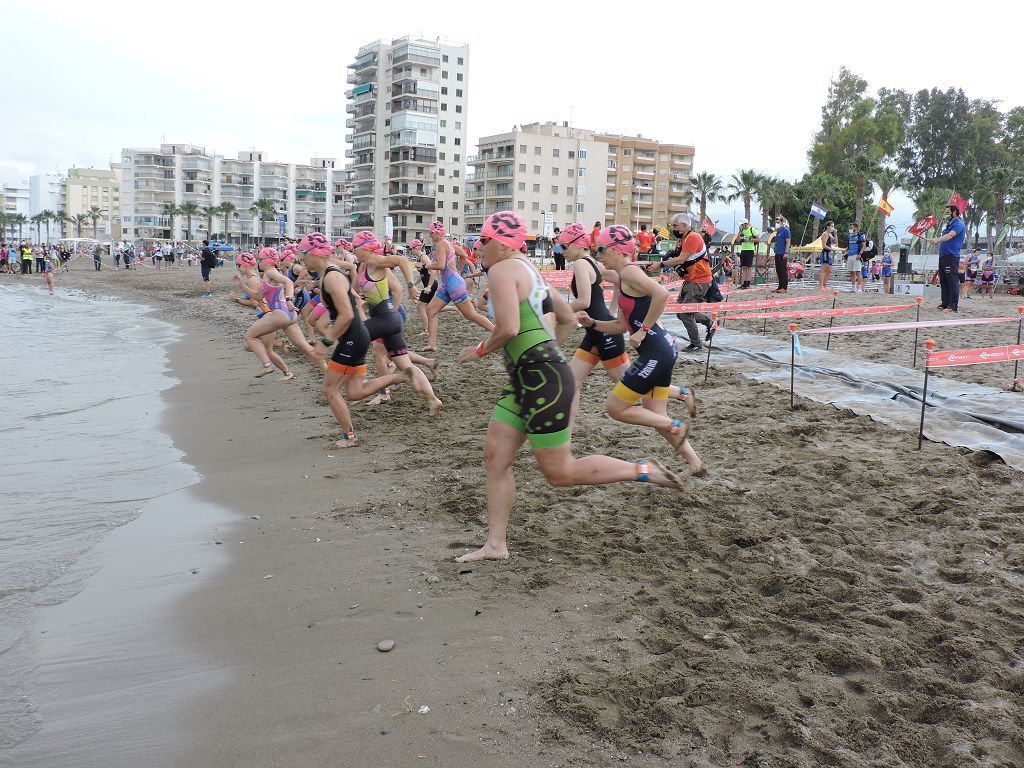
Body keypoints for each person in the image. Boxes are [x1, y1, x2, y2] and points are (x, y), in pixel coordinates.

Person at [454, 212, 688, 563]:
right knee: (495, 458)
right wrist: (549, 352)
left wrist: (478, 350)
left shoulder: (503, 269)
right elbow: (566, 318)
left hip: (541, 379)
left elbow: (509, 329)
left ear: (500, 242)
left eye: (482, 241)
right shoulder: (532, 272)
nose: (477, 250)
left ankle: (643, 470)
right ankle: (496, 544)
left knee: (560, 473)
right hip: (532, 376)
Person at [580, 224, 703, 472]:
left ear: (616, 250)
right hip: (661, 350)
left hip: (656, 351)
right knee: (656, 416)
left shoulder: (630, 273)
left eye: (602, 249)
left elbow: (661, 295)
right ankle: (695, 463)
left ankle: (675, 426)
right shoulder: (623, 278)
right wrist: (592, 323)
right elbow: (619, 325)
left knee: (615, 408)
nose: (599, 254)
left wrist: (643, 330)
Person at [558, 222, 629, 413]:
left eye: (564, 246)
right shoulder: (594, 263)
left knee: (632, 386)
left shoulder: (582, 264)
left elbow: (583, 302)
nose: (560, 250)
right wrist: (613, 309)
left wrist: (557, 311)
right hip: (595, 332)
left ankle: (680, 393)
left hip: (605, 334)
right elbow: (620, 279)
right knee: (571, 385)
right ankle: (567, 435)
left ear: (579, 244)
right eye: (559, 246)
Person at [423, 220, 494, 351]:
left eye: (431, 233)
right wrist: (458, 270)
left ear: (437, 232)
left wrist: (427, 265)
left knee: (470, 314)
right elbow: (464, 255)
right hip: (448, 284)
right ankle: (432, 344)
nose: (430, 236)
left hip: (453, 285)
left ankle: (497, 333)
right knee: (431, 311)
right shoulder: (449, 244)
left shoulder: (440, 245)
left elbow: (440, 265)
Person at [647, 213, 713, 352]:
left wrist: (660, 264)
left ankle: (696, 344)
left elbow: (681, 260)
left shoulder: (693, 237)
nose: (673, 228)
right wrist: (670, 255)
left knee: (685, 314)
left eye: (675, 225)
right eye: (672, 225)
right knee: (681, 312)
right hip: (691, 279)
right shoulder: (682, 240)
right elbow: (679, 257)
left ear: (684, 226)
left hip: (699, 281)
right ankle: (710, 323)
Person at [928, 205, 966, 313]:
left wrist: (937, 240)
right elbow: (946, 236)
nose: (946, 215)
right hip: (943, 255)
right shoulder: (948, 225)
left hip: (951, 256)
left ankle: (953, 306)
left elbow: (950, 236)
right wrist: (936, 240)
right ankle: (944, 303)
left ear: (954, 212)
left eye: (948, 213)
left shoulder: (959, 224)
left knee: (952, 280)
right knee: (943, 280)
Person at [737, 219, 758, 289]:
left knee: (749, 267)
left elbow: (758, 239)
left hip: (750, 250)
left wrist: (750, 239)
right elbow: (738, 240)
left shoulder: (752, 229)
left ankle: (748, 283)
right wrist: (739, 232)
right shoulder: (742, 231)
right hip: (743, 250)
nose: (742, 226)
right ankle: (744, 282)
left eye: (742, 224)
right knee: (744, 267)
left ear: (746, 224)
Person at [773, 216, 791, 292]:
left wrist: (786, 252)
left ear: (782, 222)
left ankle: (784, 287)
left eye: (778, 222)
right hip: (777, 253)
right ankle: (780, 287)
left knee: (783, 270)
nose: (777, 224)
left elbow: (788, 241)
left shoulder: (785, 230)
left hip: (783, 253)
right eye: (776, 222)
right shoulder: (778, 231)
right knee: (778, 270)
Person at [845, 224, 865, 292]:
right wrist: (845, 250)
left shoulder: (860, 236)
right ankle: (853, 287)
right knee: (851, 272)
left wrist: (860, 254)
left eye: (851, 227)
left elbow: (864, 245)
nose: (850, 229)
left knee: (858, 272)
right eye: (849, 228)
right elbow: (849, 245)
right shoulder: (850, 236)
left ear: (856, 228)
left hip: (856, 255)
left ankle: (859, 288)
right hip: (850, 256)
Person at [819, 221, 837, 290]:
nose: (833, 228)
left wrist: (835, 234)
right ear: (828, 226)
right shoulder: (825, 234)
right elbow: (824, 245)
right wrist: (831, 249)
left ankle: (825, 284)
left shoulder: (830, 235)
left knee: (829, 270)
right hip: (825, 253)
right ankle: (821, 286)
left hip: (830, 253)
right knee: (823, 270)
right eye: (832, 226)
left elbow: (835, 242)